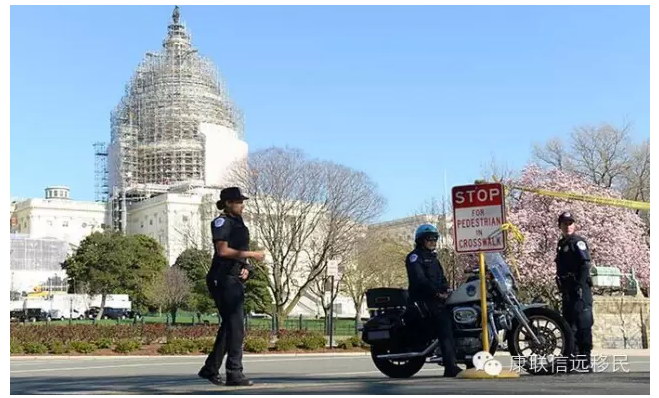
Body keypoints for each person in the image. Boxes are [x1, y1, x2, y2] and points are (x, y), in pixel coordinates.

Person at [198, 187, 265, 386]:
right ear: (228, 203)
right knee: (236, 327)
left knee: (231, 325)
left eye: (242, 202)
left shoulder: (238, 222)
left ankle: (210, 368)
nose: (242, 205)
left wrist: (246, 266)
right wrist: (253, 255)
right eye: (238, 202)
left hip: (233, 277)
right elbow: (223, 251)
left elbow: (239, 250)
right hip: (222, 278)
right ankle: (234, 373)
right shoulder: (222, 222)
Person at [405, 224, 462, 377]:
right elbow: (420, 280)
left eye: (435, 239)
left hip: (436, 300)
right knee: (445, 324)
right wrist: (437, 293)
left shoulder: (433, 258)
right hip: (423, 301)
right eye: (429, 239)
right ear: (421, 240)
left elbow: (442, 278)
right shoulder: (414, 257)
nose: (433, 241)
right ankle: (450, 367)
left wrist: (447, 290)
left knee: (458, 318)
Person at [555, 211, 593, 373]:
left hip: (579, 290)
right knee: (569, 325)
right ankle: (572, 359)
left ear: (574, 225)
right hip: (568, 290)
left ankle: (584, 361)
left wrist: (579, 284)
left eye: (570, 223)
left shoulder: (578, 243)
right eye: (564, 223)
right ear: (560, 226)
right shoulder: (562, 243)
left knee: (582, 324)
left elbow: (585, 264)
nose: (567, 226)